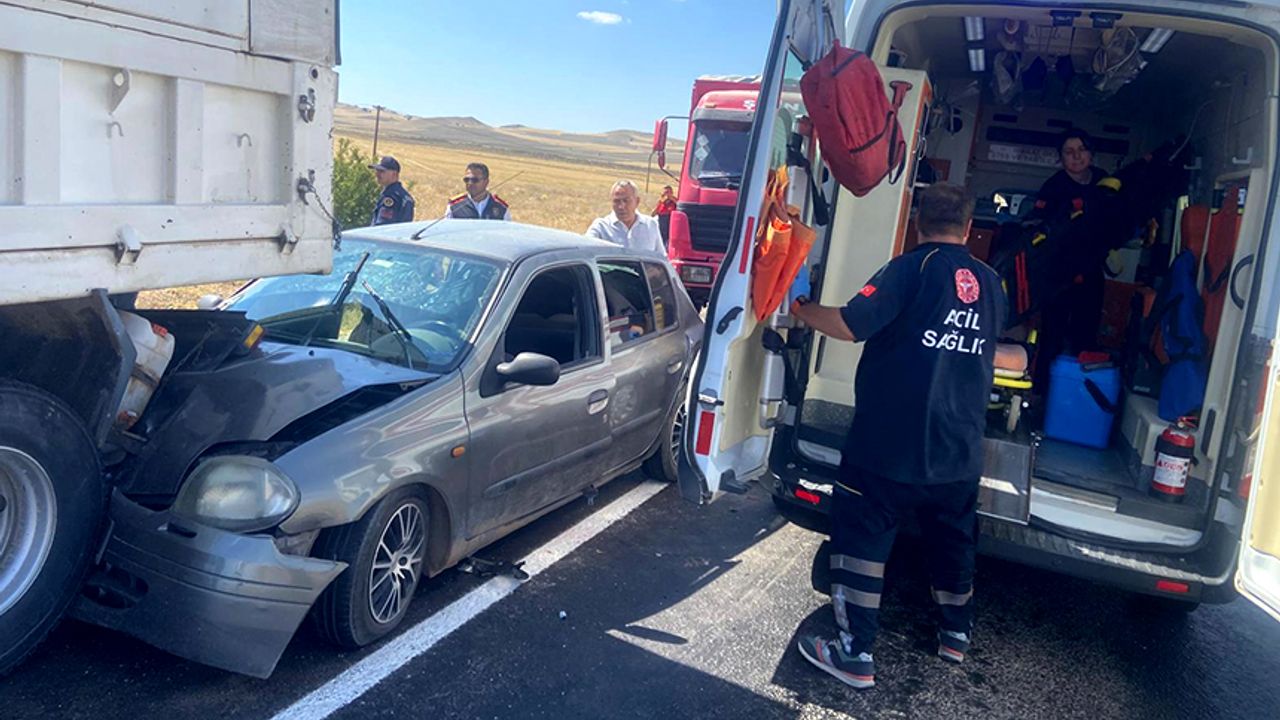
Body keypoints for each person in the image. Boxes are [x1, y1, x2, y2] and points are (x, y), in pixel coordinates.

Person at [787, 184, 1006, 690]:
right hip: (958, 450)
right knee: (953, 542)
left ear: (916, 222)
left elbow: (850, 324)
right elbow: (991, 347)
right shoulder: (992, 282)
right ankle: (955, 634)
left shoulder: (910, 269)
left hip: (887, 446)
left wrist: (800, 308)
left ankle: (854, 653)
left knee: (861, 542)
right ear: (969, 228)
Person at [1032, 129, 1109, 387]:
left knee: (1086, 334)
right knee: (1052, 335)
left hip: (1091, 270)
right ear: (1061, 158)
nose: (1076, 156)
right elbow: (1037, 228)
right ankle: (1041, 392)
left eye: (1081, 150)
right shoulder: (1053, 187)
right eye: (1069, 152)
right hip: (1058, 274)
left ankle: (1078, 392)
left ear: (1091, 154)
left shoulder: (1104, 181)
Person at [585, 180, 665, 256]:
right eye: (616, 201)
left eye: (626, 201)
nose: (621, 206)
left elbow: (662, 258)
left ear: (637, 201)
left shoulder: (650, 225)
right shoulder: (601, 227)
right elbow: (584, 251)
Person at [445, 162, 511, 220]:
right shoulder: (455, 205)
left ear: (486, 182)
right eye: (467, 180)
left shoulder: (501, 207)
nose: (470, 183)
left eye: (474, 180)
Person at [368, 156, 415, 225]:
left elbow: (382, 226)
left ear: (394, 174)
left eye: (382, 171)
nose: (377, 174)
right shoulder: (405, 196)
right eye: (377, 170)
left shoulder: (391, 197)